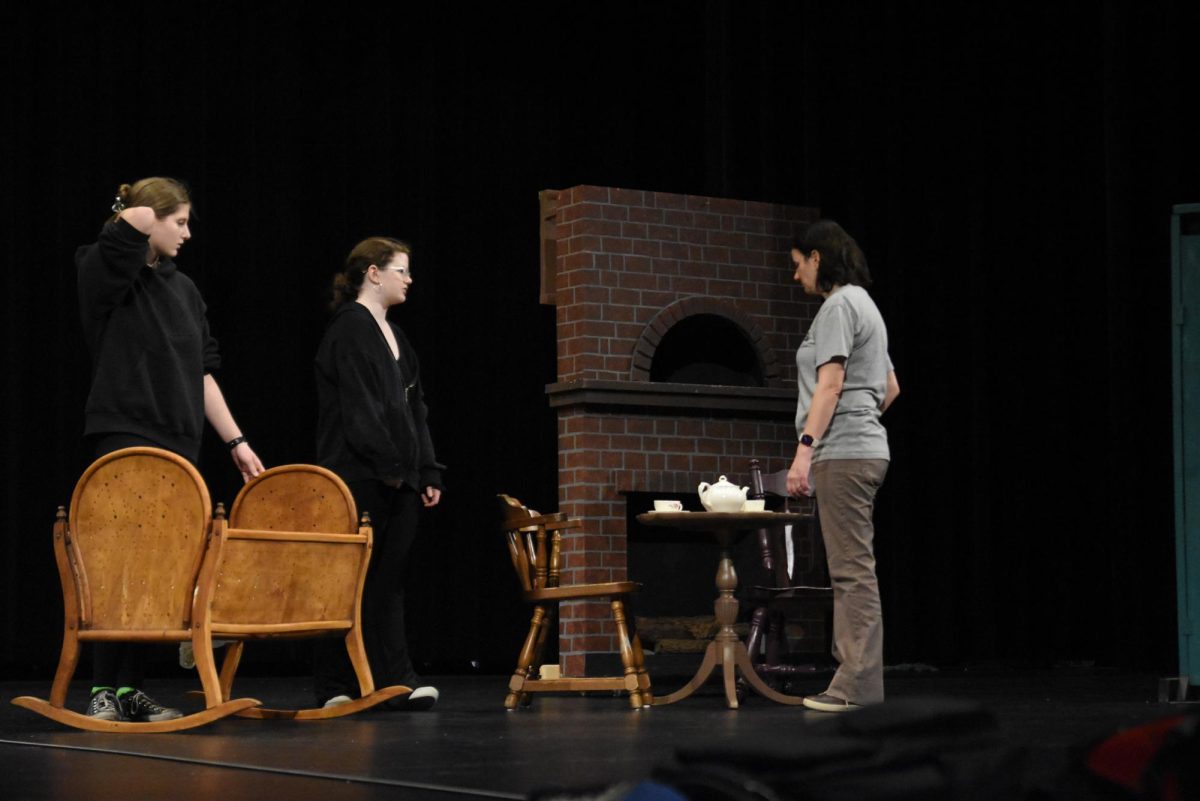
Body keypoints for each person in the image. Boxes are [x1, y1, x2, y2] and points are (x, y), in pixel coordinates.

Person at [76, 176, 265, 722]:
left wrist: (237, 439)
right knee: (118, 561)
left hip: (180, 441)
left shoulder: (185, 291)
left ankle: (132, 687)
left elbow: (203, 373)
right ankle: (101, 690)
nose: (186, 233)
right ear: (147, 219)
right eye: (178, 222)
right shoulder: (103, 267)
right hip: (126, 431)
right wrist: (136, 207)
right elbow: (123, 232)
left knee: (159, 567)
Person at [313, 236, 444, 710]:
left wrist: (426, 470)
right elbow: (359, 410)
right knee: (345, 581)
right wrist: (389, 468)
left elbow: (416, 409)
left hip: (400, 478)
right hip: (358, 477)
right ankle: (334, 684)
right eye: (401, 270)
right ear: (373, 272)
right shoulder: (349, 328)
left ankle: (397, 680)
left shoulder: (397, 336)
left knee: (388, 584)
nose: (409, 279)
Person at [786, 220, 900, 712]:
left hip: (844, 453)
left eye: (797, 265)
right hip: (866, 447)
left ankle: (855, 687)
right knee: (855, 570)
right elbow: (890, 388)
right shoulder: (865, 305)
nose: (795, 277)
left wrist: (804, 451)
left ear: (817, 257)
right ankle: (856, 682)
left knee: (851, 573)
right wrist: (860, 423)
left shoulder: (837, 306)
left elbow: (830, 385)